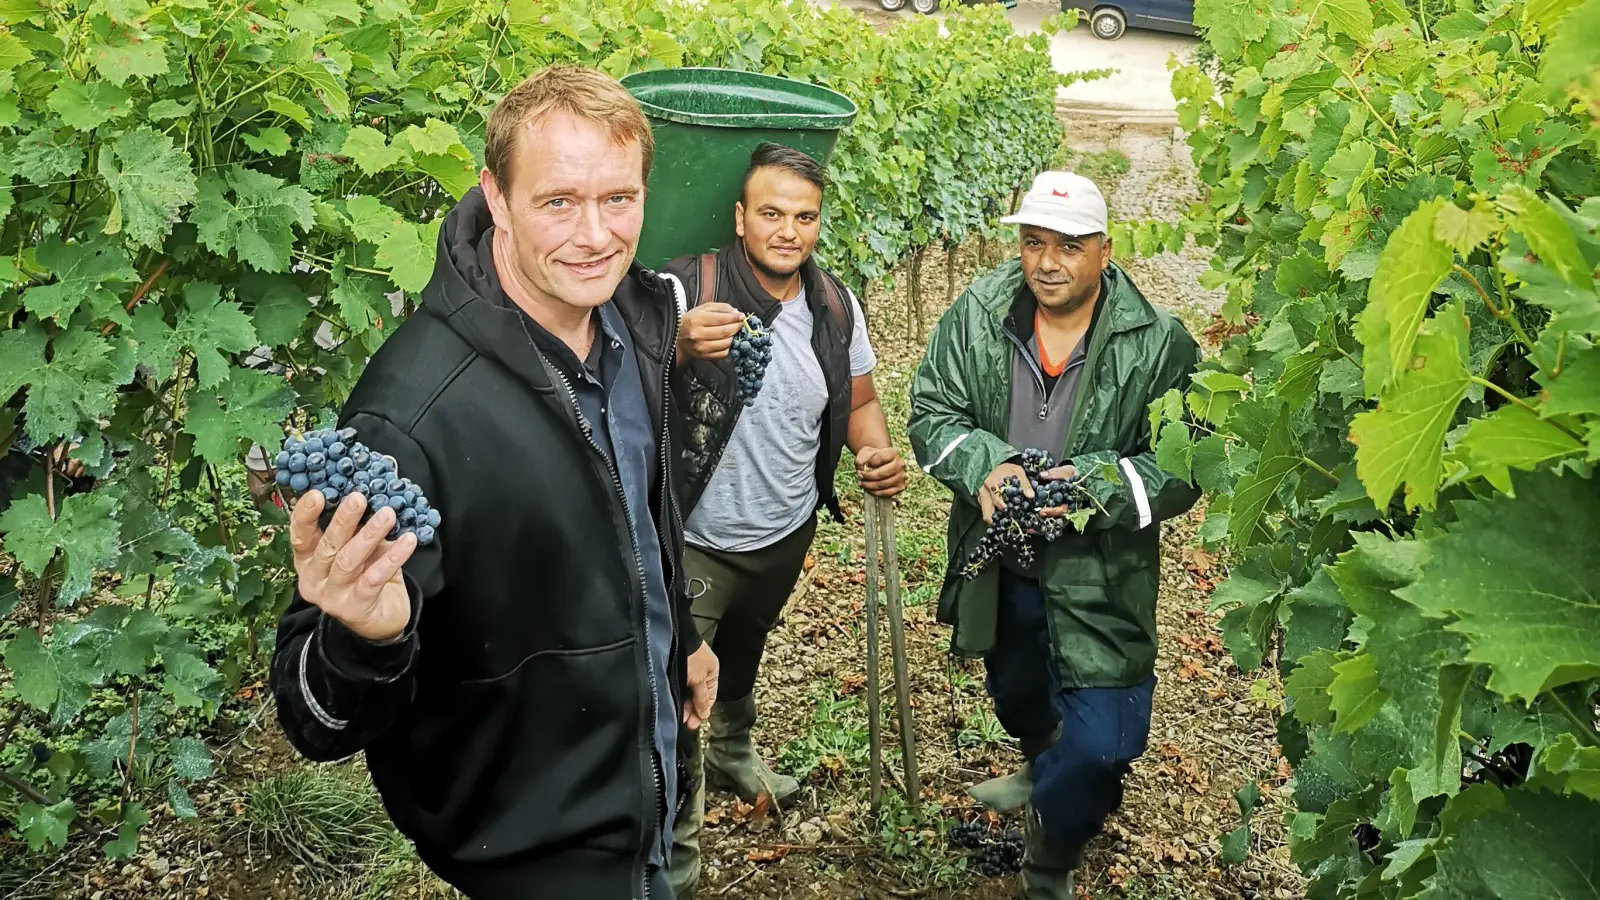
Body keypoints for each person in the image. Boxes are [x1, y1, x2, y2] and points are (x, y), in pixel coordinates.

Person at [267, 65, 719, 899]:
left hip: (644, 779)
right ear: (495, 196)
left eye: (618, 199)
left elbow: (637, 515)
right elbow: (312, 718)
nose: (595, 235)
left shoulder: (637, 323)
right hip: (531, 847)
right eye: (558, 202)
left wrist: (678, 635)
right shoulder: (412, 415)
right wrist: (362, 639)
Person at [907, 171, 1201, 898]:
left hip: (1101, 581)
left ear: (1105, 250)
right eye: (1033, 242)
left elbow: (1187, 457)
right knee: (1017, 695)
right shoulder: (977, 314)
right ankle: (1042, 762)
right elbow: (931, 413)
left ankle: (1049, 856)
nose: (1046, 262)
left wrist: (1090, 488)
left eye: (1069, 246)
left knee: (1104, 747)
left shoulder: (1157, 344)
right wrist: (985, 465)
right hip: (1005, 566)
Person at [661, 143, 907, 899]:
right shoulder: (685, 289)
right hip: (695, 537)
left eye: (804, 217)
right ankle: (676, 856)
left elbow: (860, 402)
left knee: (744, 647)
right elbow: (607, 377)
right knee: (678, 696)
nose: (788, 231)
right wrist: (672, 346)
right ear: (741, 218)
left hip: (785, 529)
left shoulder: (835, 305)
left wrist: (876, 453)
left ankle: (738, 753)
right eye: (771, 213)